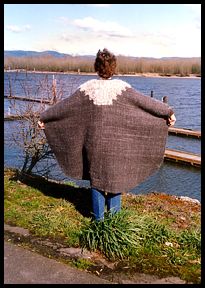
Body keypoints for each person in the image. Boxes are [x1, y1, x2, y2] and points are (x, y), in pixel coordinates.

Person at [38, 48, 176, 221]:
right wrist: (168, 112)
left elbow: (64, 108)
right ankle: (114, 222)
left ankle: (98, 221)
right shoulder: (123, 88)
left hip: (93, 145)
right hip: (117, 147)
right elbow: (147, 104)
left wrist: (45, 117)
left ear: (96, 67)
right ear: (114, 68)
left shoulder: (86, 89)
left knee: (96, 180)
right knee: (115, 180)